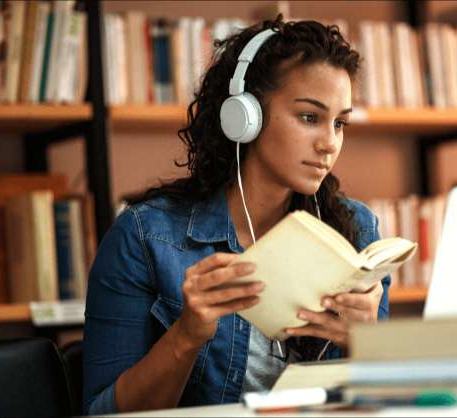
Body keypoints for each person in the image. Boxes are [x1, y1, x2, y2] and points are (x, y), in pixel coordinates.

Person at [83, 16, 391, 414]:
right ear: (245, 116)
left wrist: (367, 342)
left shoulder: (356, 230)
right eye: (309, 118)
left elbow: (381, 404)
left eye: (340, 123)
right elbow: (104, 412)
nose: (330, 143)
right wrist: (187, 335)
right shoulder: (144, 237)